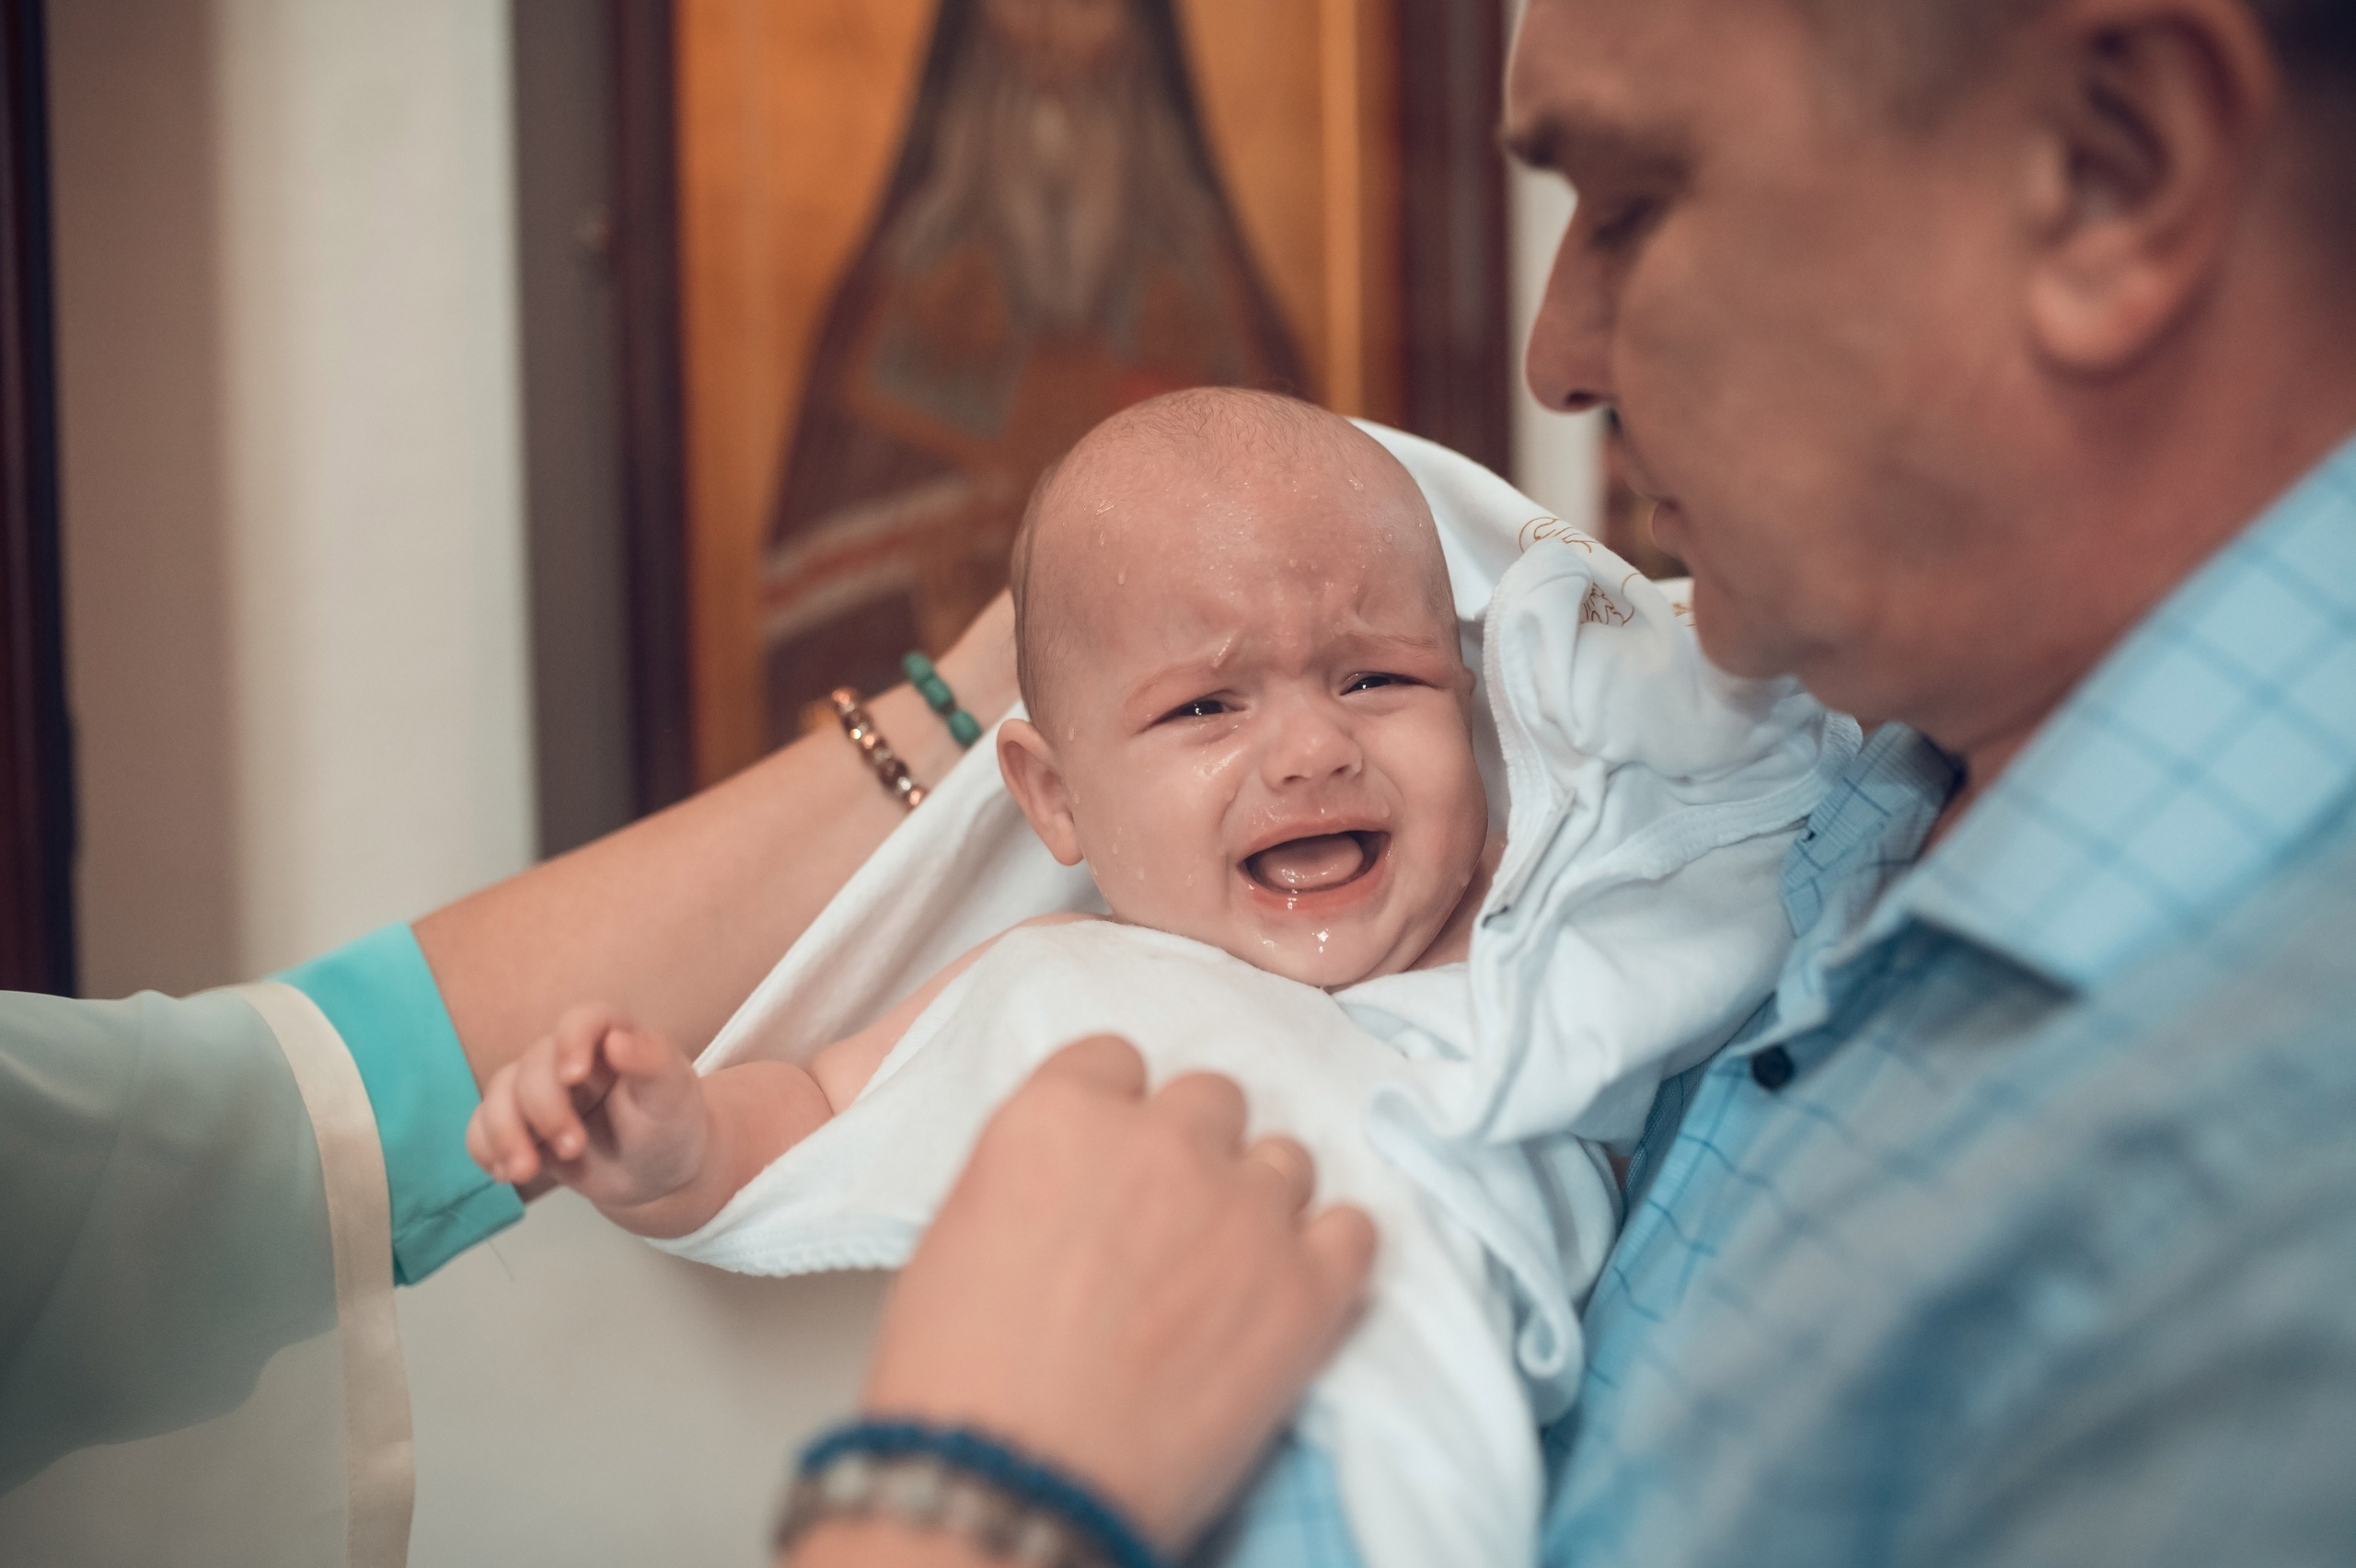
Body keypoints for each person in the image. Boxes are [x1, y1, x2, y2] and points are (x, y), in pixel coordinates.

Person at [787, 0, 2356, 1562]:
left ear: (2110, 165)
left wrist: (965, 1499)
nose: (1553, 361)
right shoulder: (1794, 746)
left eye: (1632, 205)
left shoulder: (2259, 1218)